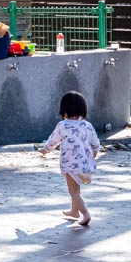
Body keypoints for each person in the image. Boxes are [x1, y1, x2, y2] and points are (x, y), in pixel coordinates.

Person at [41, 91, 100, 227]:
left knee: (73, 192)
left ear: (64, 110)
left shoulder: (63, 125)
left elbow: (53, 141)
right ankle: (74, 211)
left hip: (70, 164)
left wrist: (45, 150)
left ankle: (85, 214)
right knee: (77, 189)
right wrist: (94, 153)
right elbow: (96, 143)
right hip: (85, 164)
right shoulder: (87, 125)